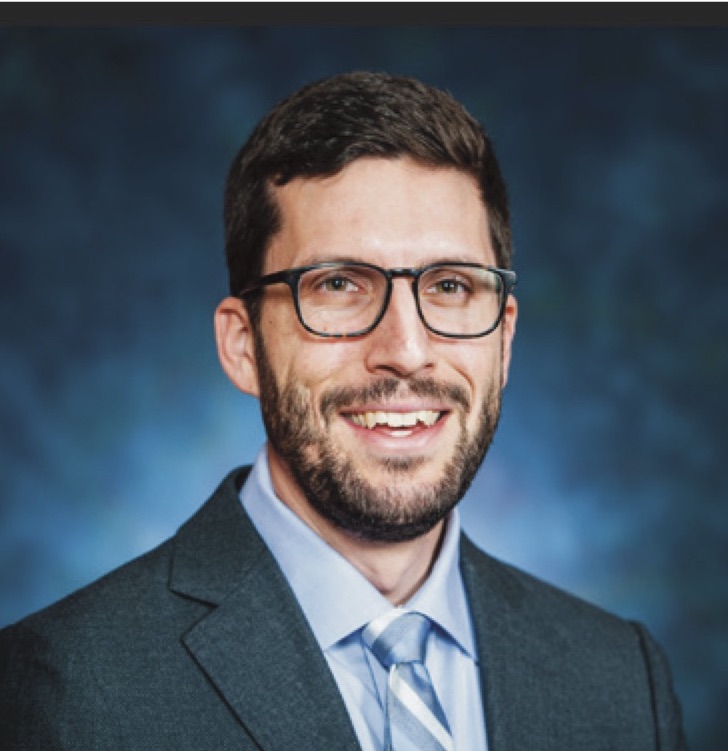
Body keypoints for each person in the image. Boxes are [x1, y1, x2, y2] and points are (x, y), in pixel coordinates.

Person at [0, 71, 688, 750]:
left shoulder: (622, 680)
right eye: (338, 284)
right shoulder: (63, 690)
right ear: (243, 346)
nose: (407, 351)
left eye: (449, 285)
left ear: (504, 339)